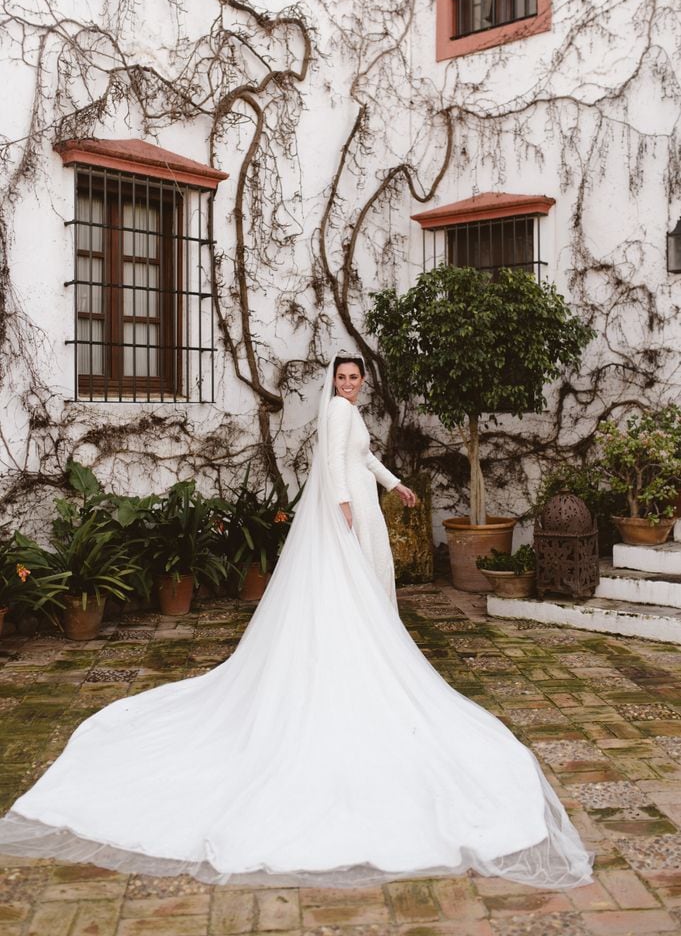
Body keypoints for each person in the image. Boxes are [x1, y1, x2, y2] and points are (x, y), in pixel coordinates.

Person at [0, 353, 594, 889]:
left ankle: (364, 655)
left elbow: (364, 458)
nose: (348, 384)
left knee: (365, 588)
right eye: (341, 377)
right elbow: (335, 465)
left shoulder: (351, 413)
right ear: (333, 383)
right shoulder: (336, 412)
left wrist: (396, 485)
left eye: (355, 377)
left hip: (361, 497)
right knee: (354, 587)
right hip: (347, 506)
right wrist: (344, 506)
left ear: (363, 382)